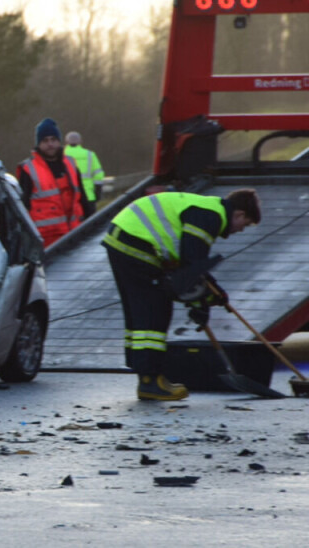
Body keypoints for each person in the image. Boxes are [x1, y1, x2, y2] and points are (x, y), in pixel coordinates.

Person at [102, 189, 260, 401]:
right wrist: (202, 302)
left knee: (141, 308)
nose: (241, 230)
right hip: (136, 242)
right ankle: (150, 381)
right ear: (239, 214)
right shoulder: (211, 216)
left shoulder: (208, 210)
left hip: (124, 238)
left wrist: (211, 293)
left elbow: (191, 267)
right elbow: (191, 263)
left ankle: (147, 377)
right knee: (153, 308)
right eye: (246, 224)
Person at [16, 118, 95, 247]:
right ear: (38, 144)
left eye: (53, 139)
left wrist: (91, 224)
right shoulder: (28, 169)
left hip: (75, 234)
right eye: (45, 140)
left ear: (59, 141)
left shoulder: (70, 164)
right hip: (46, 241)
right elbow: (23, 208)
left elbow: (82, 198)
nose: (50, 144)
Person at [64, 131, 106, 202]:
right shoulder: (90, 154)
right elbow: (98, 174)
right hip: (88, 195)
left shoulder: (61, 155)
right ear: (80, 141)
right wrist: (97, 192)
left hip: (69, 198)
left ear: (66, 142)